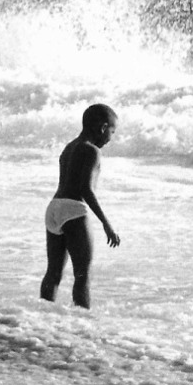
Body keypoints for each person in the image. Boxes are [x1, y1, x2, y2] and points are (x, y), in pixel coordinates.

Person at [41, 103, 121, 309]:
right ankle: (83, 326)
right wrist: (106, 223)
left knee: (53, 272)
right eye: (112, 131)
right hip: (74, 210)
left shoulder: (69, 147)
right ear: (103, 128)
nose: (111, 138)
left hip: (54, 207)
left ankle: (41, 317)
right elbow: (86, 189)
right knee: (82, 274)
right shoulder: (92, 150)